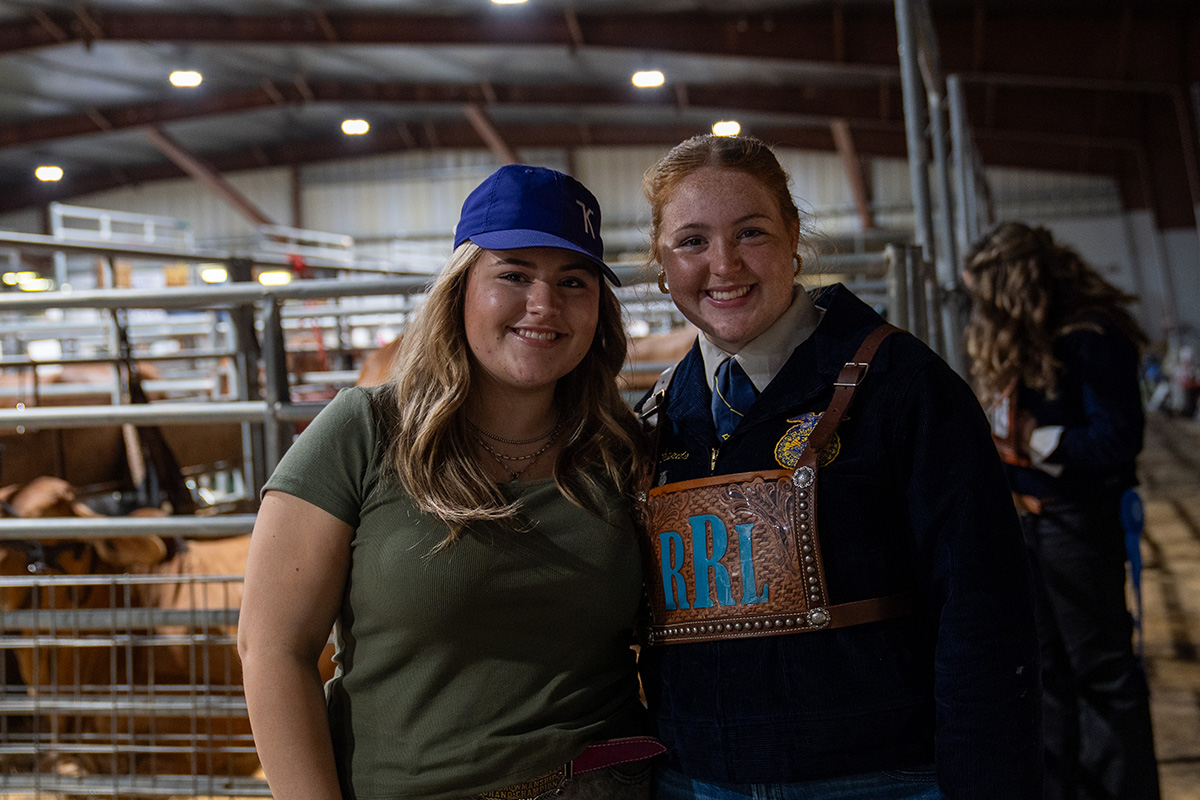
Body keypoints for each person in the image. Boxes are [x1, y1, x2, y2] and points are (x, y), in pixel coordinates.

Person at [237, 164, 664, 800]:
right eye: (513, 274)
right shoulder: (365, 430)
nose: (543, 305)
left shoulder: (622, 451)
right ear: (461, 288)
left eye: (572, 282)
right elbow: (273, 650)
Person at [634, 134, 1042, 799]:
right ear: (660, 258)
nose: (723, 265)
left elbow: (983, 614)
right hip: (696, 778)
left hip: (874, 777)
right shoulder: (656, 418)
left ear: (794, 235)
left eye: (752, 232)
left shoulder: (904, 389)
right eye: (692, 242)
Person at [961, 221, 1160, 800]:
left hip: (1078, 517)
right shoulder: (1029, 340)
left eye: (985, 296)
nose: (981, 312)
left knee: (1099, 668)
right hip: (1028, 518)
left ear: (1012, 285)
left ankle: (1122, 790)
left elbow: (1118, 438)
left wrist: (1034, 441)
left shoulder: (1090, 335)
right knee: (1044, 666)